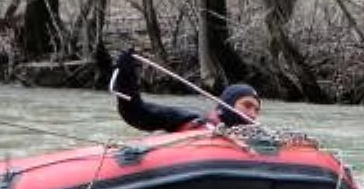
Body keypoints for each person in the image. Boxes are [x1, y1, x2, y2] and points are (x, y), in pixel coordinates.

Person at [111, 48, 261, 133]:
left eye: (256, 110)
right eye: (247, 105)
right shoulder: (190, 118)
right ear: (227, 105)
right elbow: (135, 112)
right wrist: (126, 76)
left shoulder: (255, 139)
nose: (253, 115)